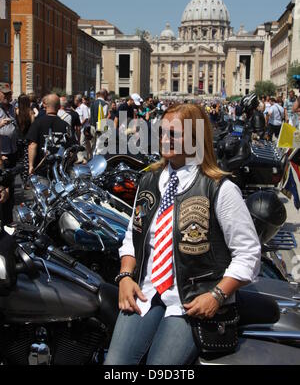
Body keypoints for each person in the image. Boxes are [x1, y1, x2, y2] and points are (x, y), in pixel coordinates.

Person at [104, 103, 261, 365]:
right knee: (115, 366)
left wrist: (217, 295)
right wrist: (125, 276)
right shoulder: (149, 181)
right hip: (148, 291)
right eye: (162, 132)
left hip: (191, 301)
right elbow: (134, 236)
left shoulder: (219, 187)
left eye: (174, 134)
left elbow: (248, 254)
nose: (165, 140)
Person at [26, 94, 71, 179]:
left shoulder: (37, 123)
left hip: (42, 167)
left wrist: (31, 165)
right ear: (59, 106)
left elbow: (32, 145)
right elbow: (71, 147)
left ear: (44, 105)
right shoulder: (65, 125)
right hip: (60, 168)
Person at [0, 83, 18, 224]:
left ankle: (8, 220)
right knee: (2, 188)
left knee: (10, 187)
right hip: (1, 154)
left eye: (9, 94)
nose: (8, 96)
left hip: (12, 151)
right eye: (5, 94)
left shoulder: (12, 108)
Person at [15, 94, 35, 186]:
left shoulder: (16, 111)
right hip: (27, 139)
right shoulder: (30, 112)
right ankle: (26, 179)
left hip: (18, 139)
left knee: (19, 160)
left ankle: (21, 178)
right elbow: (33, 126)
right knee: (27, 160)